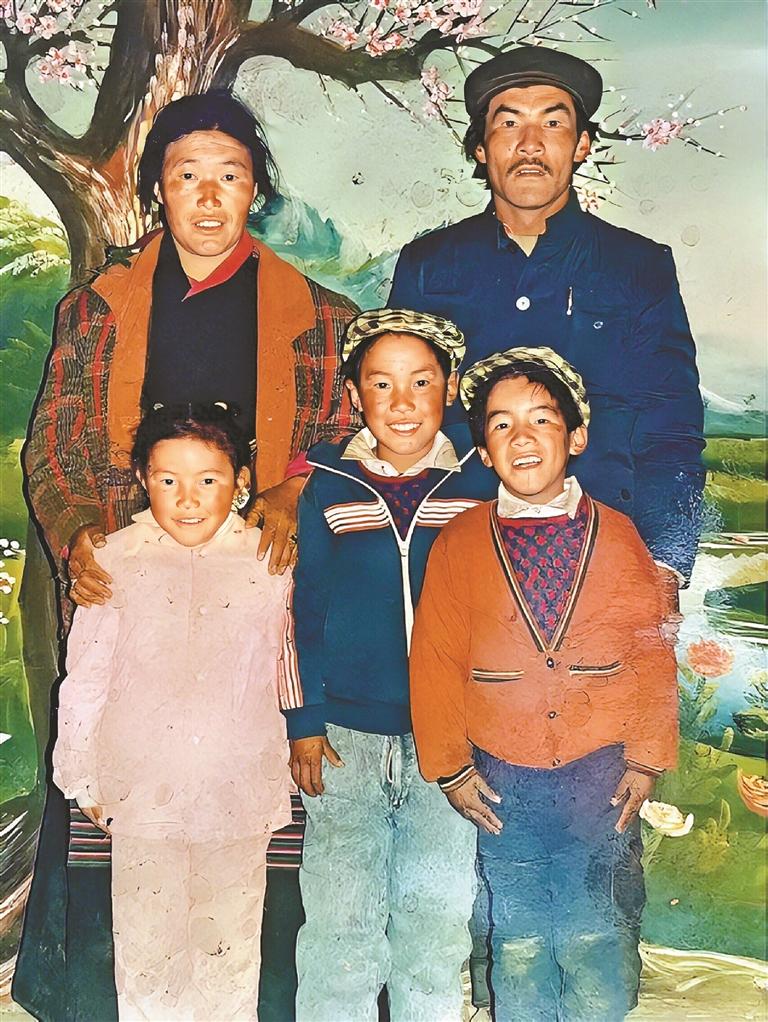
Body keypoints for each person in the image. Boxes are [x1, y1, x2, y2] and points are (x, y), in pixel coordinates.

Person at [15, 89, 356, 1022]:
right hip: (135, 594)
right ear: (157, 190)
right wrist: (80, 533)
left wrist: (292, 488)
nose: (208, 198)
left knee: (248, 834)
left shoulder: (320, 317)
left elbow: (350, 430)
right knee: (129, 817)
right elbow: (53, 443)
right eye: (186, 176)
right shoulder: (102, 307)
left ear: (257, 191)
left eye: (230, 177)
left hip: (254, 597)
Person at [410, 347, 679, 1021]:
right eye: (501, 424)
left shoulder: (619, 537)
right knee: (519, 932)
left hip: (600, 773)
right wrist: (450, 767)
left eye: (541, 420)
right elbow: (435, 659)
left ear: (577, 436)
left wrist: (648, 755)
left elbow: (650, 650)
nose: (522, 437)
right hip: (502, 776)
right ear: (483, 450)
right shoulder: (460, 542)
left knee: (596, 927)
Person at [389, 46, 704, 590]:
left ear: (581, 145)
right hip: (459, 555)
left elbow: (671, 430)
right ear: (481, 147)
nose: (530, 144)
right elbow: (396, 416)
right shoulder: (428, 266)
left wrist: (665, 570)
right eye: (509, 123)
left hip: (604, 557)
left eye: (553, 123)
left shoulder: (639, 267)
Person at [280, 309, 497, 1021]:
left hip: (452, 739)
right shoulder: (328, 485)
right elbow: (302, 606)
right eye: (381, 383)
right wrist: (304, 720)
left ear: (452, 388)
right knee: (339, 923)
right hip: (343, 738)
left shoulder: (482, 481)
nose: (402, 402)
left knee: (435, 926)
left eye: (421, 382)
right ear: (353, 394)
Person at [52, 404, 293, 1021]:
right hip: (143, 788)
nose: (188, 499)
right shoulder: (112, 560)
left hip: (236, 786)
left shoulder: (272, 563)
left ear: (241, 481)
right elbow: (86, 677)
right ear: (142, 478)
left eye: (208, 479)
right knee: (147, 952)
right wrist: (81, 775)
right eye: (167, 480)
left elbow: (291, 666)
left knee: (229, 950)